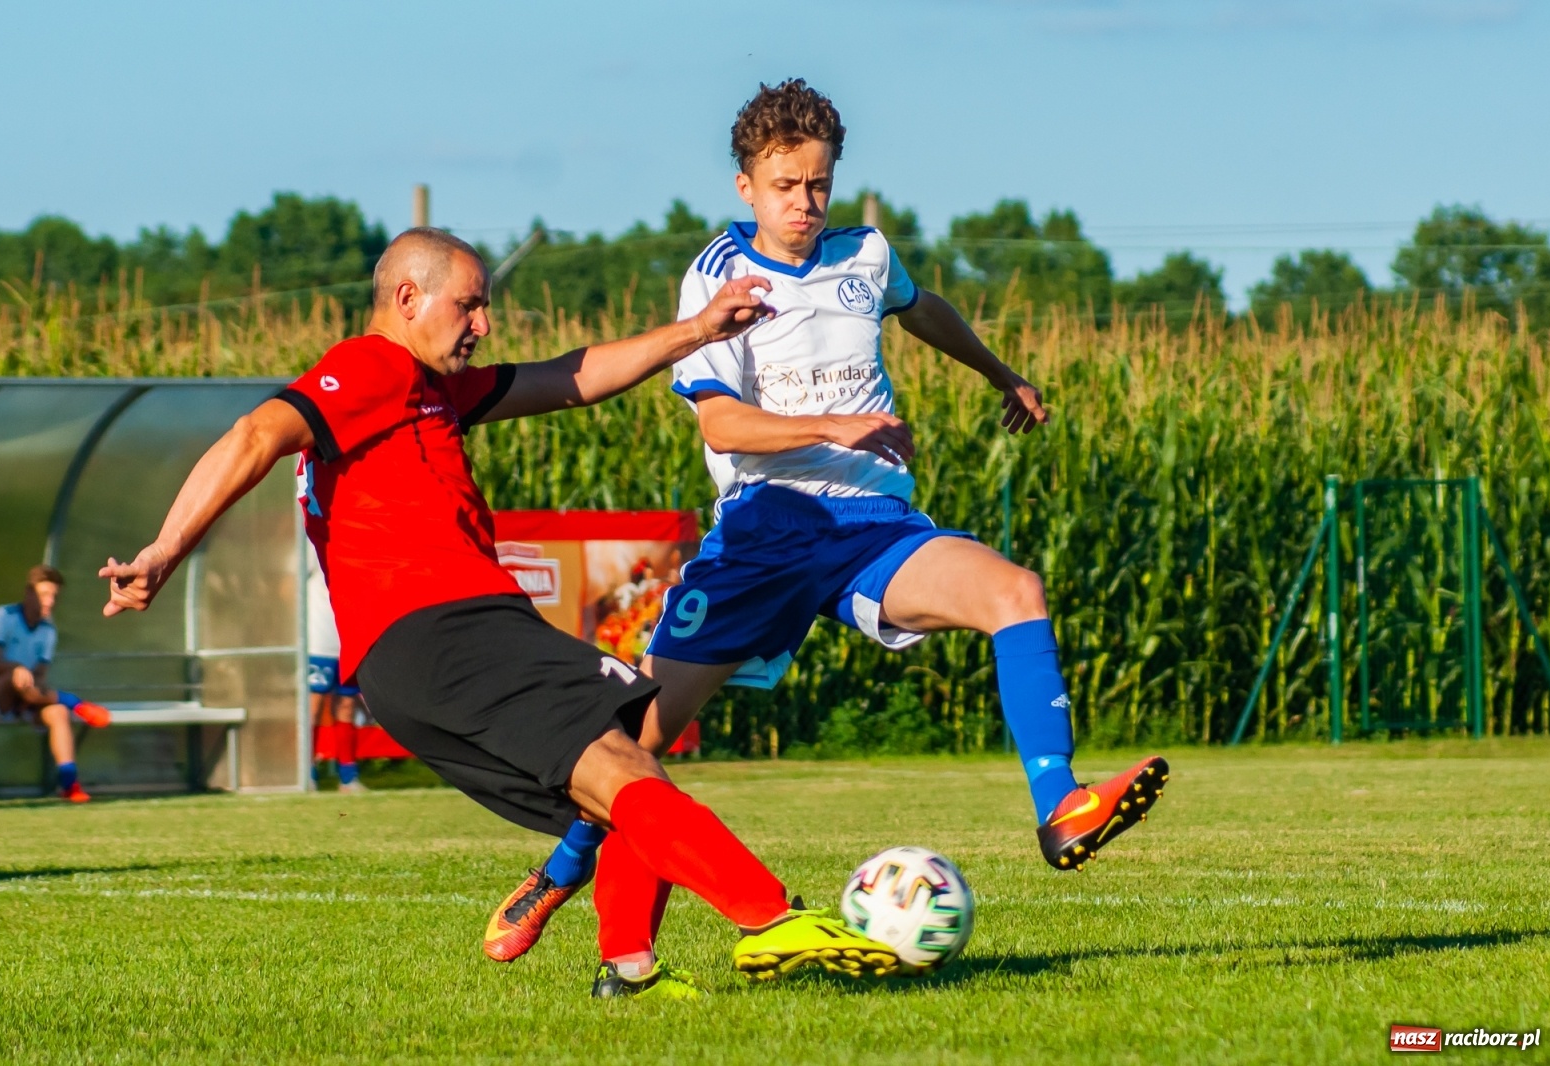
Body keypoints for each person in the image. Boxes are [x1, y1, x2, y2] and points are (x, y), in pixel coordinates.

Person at [99, 226, 899, 999]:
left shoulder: (429, 389)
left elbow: (566, 377)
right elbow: (256, 433)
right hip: (446, 625)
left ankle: (627, 969)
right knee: (623, 763)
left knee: (620, 772)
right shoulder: (371, 365)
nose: (484, 325)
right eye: (470, 306)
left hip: (410, 655)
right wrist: (166, 549)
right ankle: (773, 919)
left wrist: (695, 330)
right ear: (408, 297)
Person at [485, 79, 1171, 973]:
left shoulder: (867, 258)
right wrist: (832, 426)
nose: (804, 203)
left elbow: (921, 308)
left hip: (873, 525)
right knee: (638, 743)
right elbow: (722, 425)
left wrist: (1001, 374)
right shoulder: (721, 279)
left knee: (1014, 590)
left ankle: (1060, 805)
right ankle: (563, 879)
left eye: (817, 183)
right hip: (764, 533)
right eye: (785, 185)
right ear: (746, 187)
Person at [0, 564, 112, 802]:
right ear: (29, 593)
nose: (50, 601)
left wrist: (29, 689)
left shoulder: (48, 630)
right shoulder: (1, 617)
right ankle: (76, 703)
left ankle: (69, 784)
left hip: (26, 697)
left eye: (55, 596)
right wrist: (17, 669)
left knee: (57, 713)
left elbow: (40, 675)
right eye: (44, 594)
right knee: (16, 676)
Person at [305, 562, 366, 792]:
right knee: (313, 707)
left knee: (347, 706)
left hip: (346, 640)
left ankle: (348, 777)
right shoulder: (310, 543)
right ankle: (306, 774)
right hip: (317, 641)